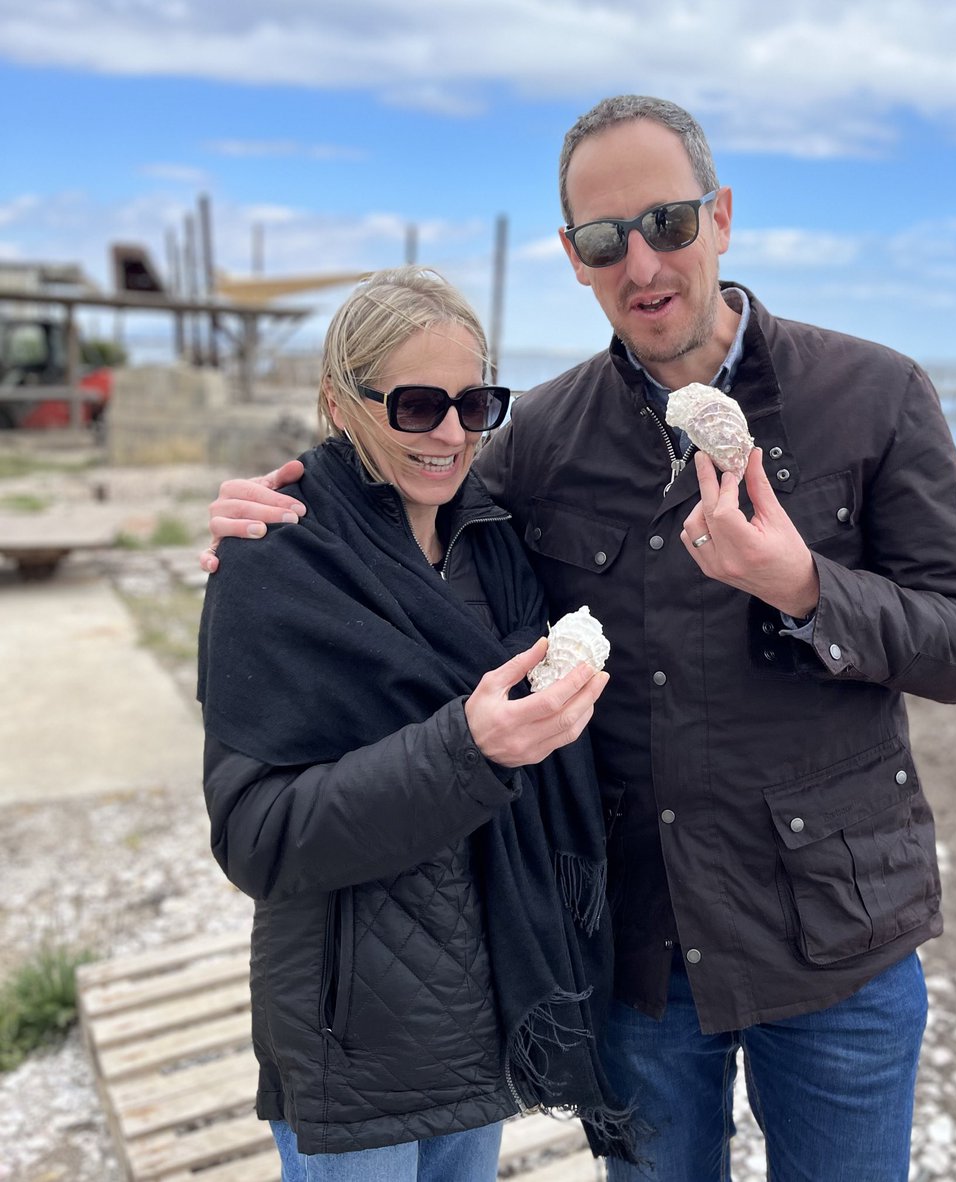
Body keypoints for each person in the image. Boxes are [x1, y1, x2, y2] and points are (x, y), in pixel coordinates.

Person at [205, 97, 956, 1180]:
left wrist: (806, 585)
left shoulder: (873, 397)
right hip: (638, 958)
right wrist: (271, 516)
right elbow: (408, 487)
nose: (642, 260)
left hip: (841, 946)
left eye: (669, 223)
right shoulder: (534, 436)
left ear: (721, 217)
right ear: (574, 259)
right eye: (604, 240)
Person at [197, 265, 639, 1182]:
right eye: (415, 406)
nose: (449, 434)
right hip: (353, 1047)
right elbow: (256, 837)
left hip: (487, 1019)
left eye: (475, 404)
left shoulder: (494, 547)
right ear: (338, 401)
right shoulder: (277, 565)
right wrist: (469, 750)